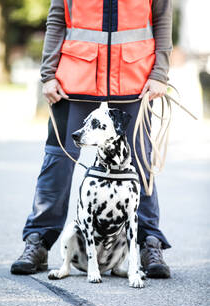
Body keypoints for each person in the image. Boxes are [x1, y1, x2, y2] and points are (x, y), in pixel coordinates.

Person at [11, 0, 173, 278]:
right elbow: (56, 20)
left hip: (134, 81)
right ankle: (38, 240)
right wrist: (48, 74)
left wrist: (160, 73)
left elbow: (162, 19)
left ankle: (149, 242)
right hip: (74, 81)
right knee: (57, 162)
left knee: (141, 163)